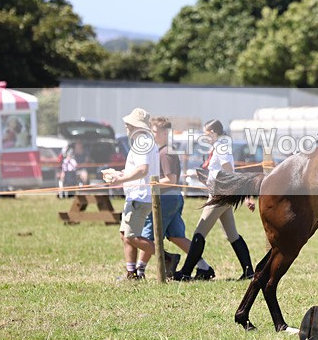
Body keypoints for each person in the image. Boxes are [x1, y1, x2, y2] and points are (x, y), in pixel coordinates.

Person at [174, 118, 255, 281]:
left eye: (206, 134)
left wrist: (245, 195)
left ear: (212, 132)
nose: (205, 137)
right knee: (232, 235)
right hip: (221, 193)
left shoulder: (221, 147)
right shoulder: (219, 146)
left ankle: (186, 272)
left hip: (220, 195)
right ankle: (249, 272)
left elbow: (229, 171)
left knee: (199, 232)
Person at [135, 116, 213, 279]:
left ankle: (139, 270)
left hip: (165, 200)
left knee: (149, 236)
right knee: (176, 236)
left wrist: (149, 184)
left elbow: (171, 179)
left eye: (154, 132)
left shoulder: (165, 153)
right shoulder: (165, 150)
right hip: (173, 199)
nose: (152, 134)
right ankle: (204, 267)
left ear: (164, 133)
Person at [104, 107, 161, 281]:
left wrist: (120, 180)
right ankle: (131, 273)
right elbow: (136, 170)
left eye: (128, 124)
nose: (126, 127)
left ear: (135, 125)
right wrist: (120, 174)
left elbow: (143, 170)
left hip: (140, 196)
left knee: (131, 235)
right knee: (125, 234)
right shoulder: (146, 141)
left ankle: (167, 258)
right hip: (137, 194)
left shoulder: (141, 142)